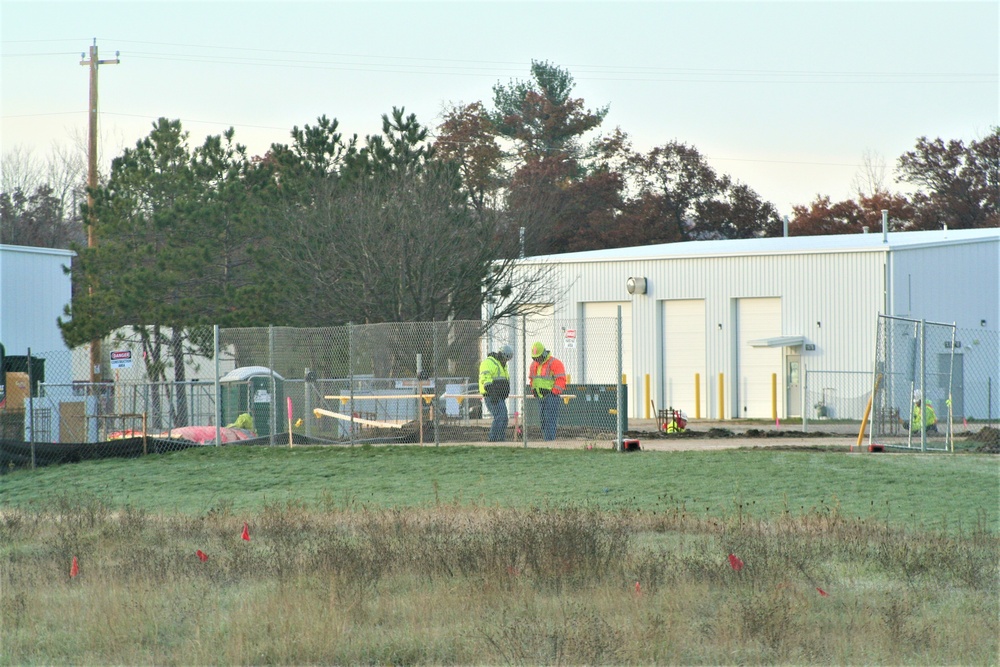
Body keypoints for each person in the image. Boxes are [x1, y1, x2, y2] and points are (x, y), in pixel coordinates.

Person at [528, 341, 567, 441]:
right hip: (540, 397)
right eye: (534, 358)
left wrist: (553, 392)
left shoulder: (555, 363)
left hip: (551, 397)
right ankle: (547, 440)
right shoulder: (534, 365)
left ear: (544, 354)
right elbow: (532, 379)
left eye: (538, 357)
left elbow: (561, 380)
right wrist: (534, 390)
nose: (537, 359)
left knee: (550, 420)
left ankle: (550, 441)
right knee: (543, 420)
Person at [479, 344, 513, 441]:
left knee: (504, 418)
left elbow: (504, 380)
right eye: (505, 359)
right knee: (500, 416)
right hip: (491, 395)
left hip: (499, 396)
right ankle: (493, 439)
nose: (505, 361)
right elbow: (486, 379)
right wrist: (492, 392)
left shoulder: (502, 365)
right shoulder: (488, 363)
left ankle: (500, 439)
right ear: (501, 355)